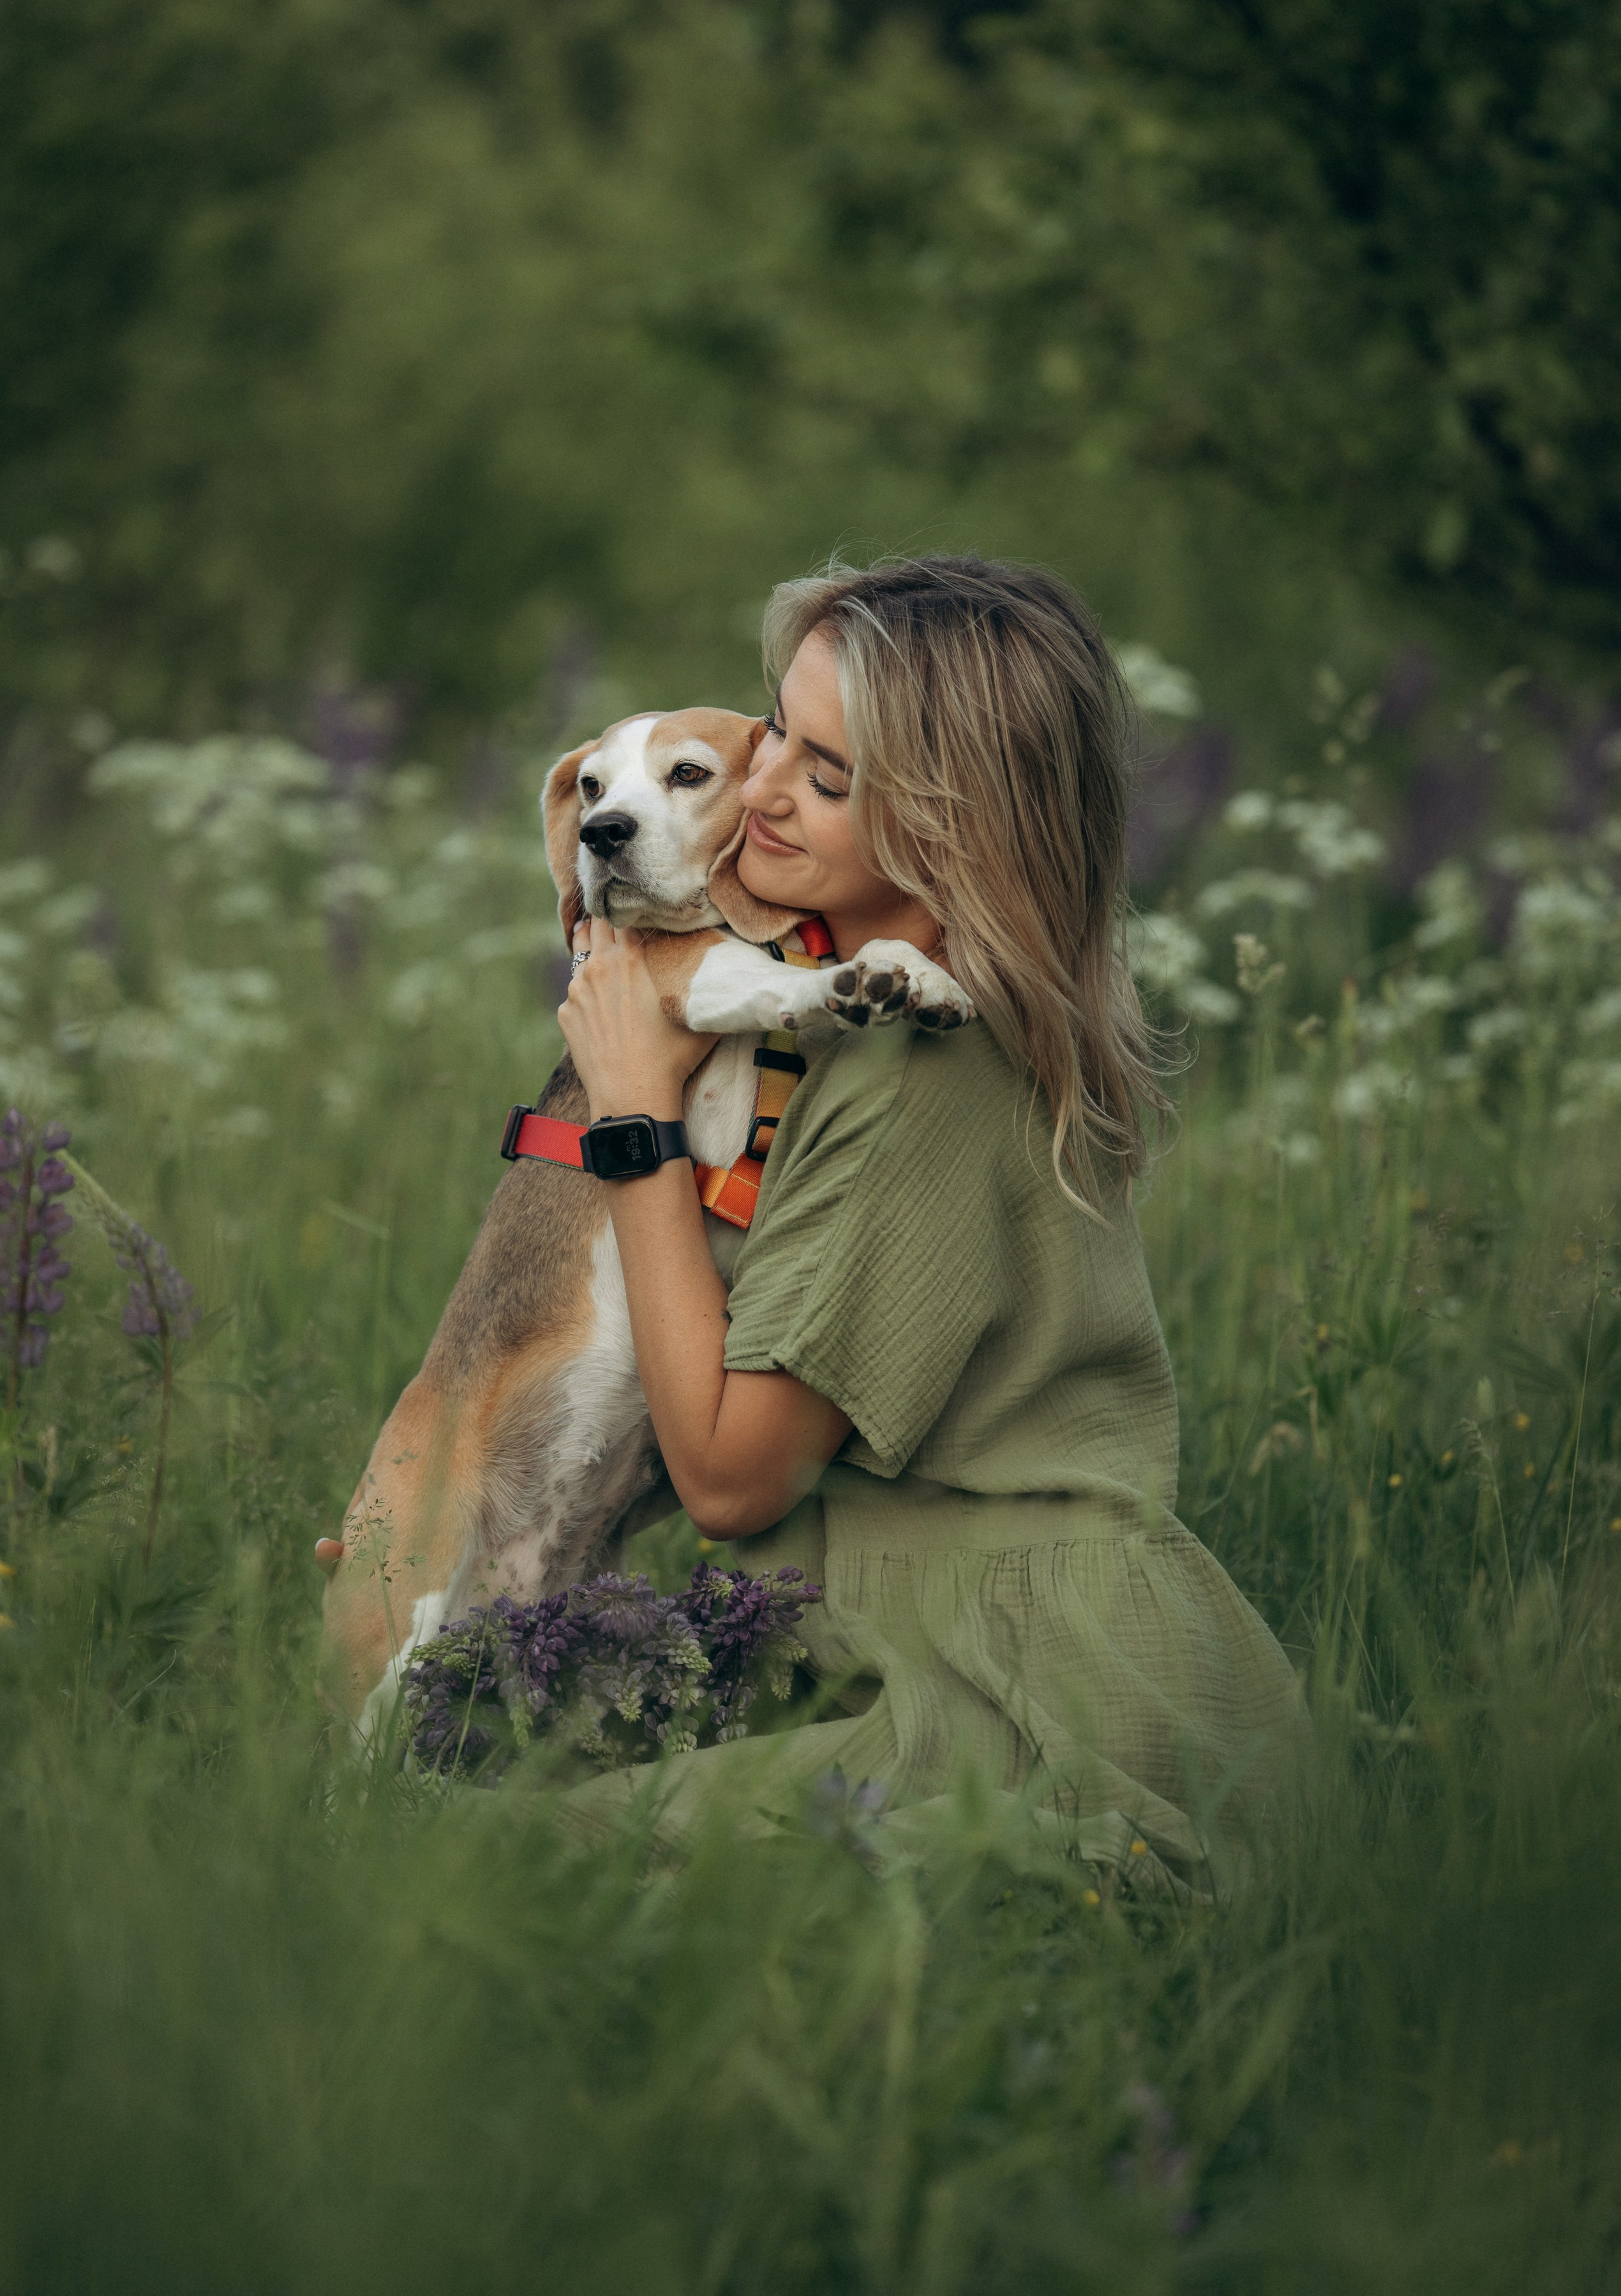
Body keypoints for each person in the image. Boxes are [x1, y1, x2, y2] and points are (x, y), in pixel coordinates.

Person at [556, 554, 1303, 1885]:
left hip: (1038, 1701)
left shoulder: (915, 1068)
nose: (762, 786)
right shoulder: (881, 1020)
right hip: (930, 1638)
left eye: (828, 778)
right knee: (464, 1752)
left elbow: (732, 1479)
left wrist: (631, 1124)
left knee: (499, 1866)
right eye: (777, 726)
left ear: (953, 831)